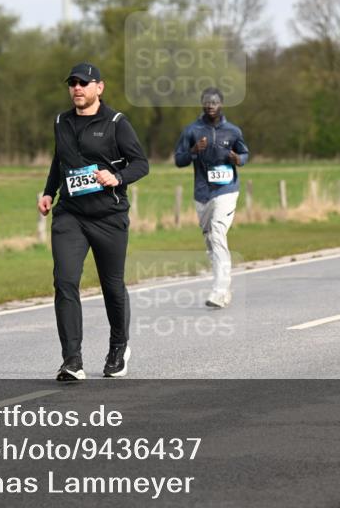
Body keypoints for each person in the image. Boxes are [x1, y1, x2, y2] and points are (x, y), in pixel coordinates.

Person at [38, 63, 149, 381]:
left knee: (112, 286)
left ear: (99, 87)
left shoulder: (116, 123)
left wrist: (116, 177)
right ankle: (72, 360)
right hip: (70, 215)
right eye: (72, 83)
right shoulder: (61, 121)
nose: (77, 88)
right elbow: (59, 160)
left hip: (108, 217)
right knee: (65, 281)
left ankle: (118, 346)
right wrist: (48, 193)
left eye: (84, 83)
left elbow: (141, 163)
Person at [174, 87, 250, 308]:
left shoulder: (233, 131)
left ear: (221, 104)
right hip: (202, 193)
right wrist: (194, 150)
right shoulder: (192, 131)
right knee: (210, 240)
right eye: (206, 102)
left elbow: (245, 154)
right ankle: (224, 287)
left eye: (214, 102)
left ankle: (219, 290)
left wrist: (238, 159)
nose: (210, 106)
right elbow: (179, 159)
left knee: (217, 232)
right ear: (201, 104)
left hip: (227, 190)